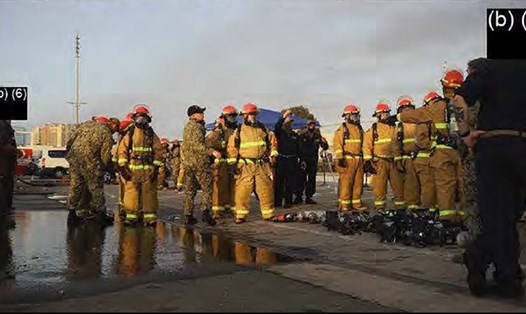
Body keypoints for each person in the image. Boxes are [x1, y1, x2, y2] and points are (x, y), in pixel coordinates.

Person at [453, 59, 526, 298]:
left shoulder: (490, 69)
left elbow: (459, 99)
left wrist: (465, 134)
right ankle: (507, 275)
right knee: (509, 214)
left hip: (493, 145)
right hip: (520, 147)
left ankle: (481, 258)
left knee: (499, 215)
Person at [389, 92, 463, 224]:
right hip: (458, 152)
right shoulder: (460, 104)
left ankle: (442, 216)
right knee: (457, 185)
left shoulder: (430, 113)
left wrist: (397, 117)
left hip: (435, 155)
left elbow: (420, 138)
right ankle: (462, 216)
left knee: (440, 187)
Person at [227, 103, 277, 224]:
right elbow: (232, 148)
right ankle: (241, 215)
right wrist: (233, 165)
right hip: (245, 166)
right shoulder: (239, 131)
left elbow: (272, 143)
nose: (253, 117)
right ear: (244, 116)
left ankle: (268, 214)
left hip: (262, 165)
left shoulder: (263, 129)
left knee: (266, 190)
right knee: (242, 192)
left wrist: (274, 156)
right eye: (250, 115)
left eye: (254, 114)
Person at [66, 116, 119, 226]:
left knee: (75, 186)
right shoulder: (105, 132)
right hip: (91, 163)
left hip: (75, 160)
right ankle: (100, 216)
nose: (114, 132)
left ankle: (71, 215)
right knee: (96, 188)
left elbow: (69, 143)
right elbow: (105, 156)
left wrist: (72, 156)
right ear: (112, 125)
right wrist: (109, 168)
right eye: (116, 129)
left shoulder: (84, 125)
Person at [117, 105, 164, 226]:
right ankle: (131, 217)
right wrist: (123, 167)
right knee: (131, 193)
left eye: (144, 118)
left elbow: (158, 151)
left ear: (148, 119)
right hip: (132, 170)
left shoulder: (151, 134)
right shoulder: (130, 134)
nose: (141, 121)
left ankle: (149, 218)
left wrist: (156, 168)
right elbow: (122, 150)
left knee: (149, 193)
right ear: (134, 118)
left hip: (148, 170)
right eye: (139, 118)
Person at [363, 102, 405, 212]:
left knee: (398, 186)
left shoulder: (394, 127)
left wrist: (399, 159)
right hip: (379, 162)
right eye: (384, 113)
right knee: (379, 187)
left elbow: (398, 144)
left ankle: (400, 207)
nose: (386, 115)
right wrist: (367, 161)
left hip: (394, 161)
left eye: (387, 113)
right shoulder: (373, 129)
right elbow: (367, 145)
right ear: (378, 115)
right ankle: (380, 208)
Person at [181, 104, 218, 226]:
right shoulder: (196, 127)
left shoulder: (187, 127)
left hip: (188, 163)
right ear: (193, 115)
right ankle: (205, 213)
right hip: (199, 163)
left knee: (189, 190)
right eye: (200, 113)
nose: (203, 114)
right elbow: (197, 145)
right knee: (207, 188)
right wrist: (212, 152)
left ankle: (188, 215)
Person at [205, 105, 238, 219]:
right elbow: (207, 145)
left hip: (234, 162)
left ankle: (232, 208)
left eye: (234, 117)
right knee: (220, 187)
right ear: (224, 118)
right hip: (221, 163)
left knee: (234, 187)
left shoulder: (236, 131)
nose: (232, 120)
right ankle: (217, 211)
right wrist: (214, 152)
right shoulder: (218, 132)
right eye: (230, 117)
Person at [332, 105, 366, 211]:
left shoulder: (359, 129)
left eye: (357, 115)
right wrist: (340, 157)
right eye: (354, 114)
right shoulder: (342, 128)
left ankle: (356, 203)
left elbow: (365, 144)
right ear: (347, 116)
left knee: (358, 183)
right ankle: (345, 205)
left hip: (359, 160)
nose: (356, 117)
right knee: (346, 183)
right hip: (347, 159)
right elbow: (337, 144)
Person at [392, 96, 420, 211]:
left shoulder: (419, 122)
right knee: (413, 183)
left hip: (418, 157)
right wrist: (398, 159)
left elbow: (395, 144)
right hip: (411, 158)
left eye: (409, 109)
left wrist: (398, 159)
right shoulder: (401, 126)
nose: (407, 111)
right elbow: (396, 144)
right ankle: (414, 205)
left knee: (416, 182)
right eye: (405, 109)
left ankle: (415, 204)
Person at [274, 109, 302, 209]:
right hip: (282, 160)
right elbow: (277, 126)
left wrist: (301, 160)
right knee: (279, 182)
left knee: (290, 182)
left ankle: (288, 201)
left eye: (290, 123)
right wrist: (283, 116)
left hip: (292, 160)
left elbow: (299, 149)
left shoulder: (295, 135)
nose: (289, 125)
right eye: (287, 123)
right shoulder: (279, 133)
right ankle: (277, 201)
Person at [298, 119, 329, 205]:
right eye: (310, 125)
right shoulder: (302, 136)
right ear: (307, 126)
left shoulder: (317, 136)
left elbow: (325, 147)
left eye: (313, 125)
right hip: (304, 161)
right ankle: (299, 197)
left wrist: (325, 142)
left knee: (311, 179)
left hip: (313, 161)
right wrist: (302, 160)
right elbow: (299, 149)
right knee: (301, 179)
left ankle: (309, 197)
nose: (312, 126)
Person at [0, 120, 21, 228]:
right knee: (3, 192)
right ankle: (4, 219)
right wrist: (15, 150)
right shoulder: (2, 125)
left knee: (6, 192)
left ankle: (5, 216)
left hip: (7, 167)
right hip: (2, 167)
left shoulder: (7, 126)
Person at [112, 113, 133, 210]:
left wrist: (116, 164)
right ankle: (130, 205)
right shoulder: (133, 131)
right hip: (131, 163)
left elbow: (117, 150)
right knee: (131, 186)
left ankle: (123, 204)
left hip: (123, 162)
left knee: (123, 184)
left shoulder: (123, 134)